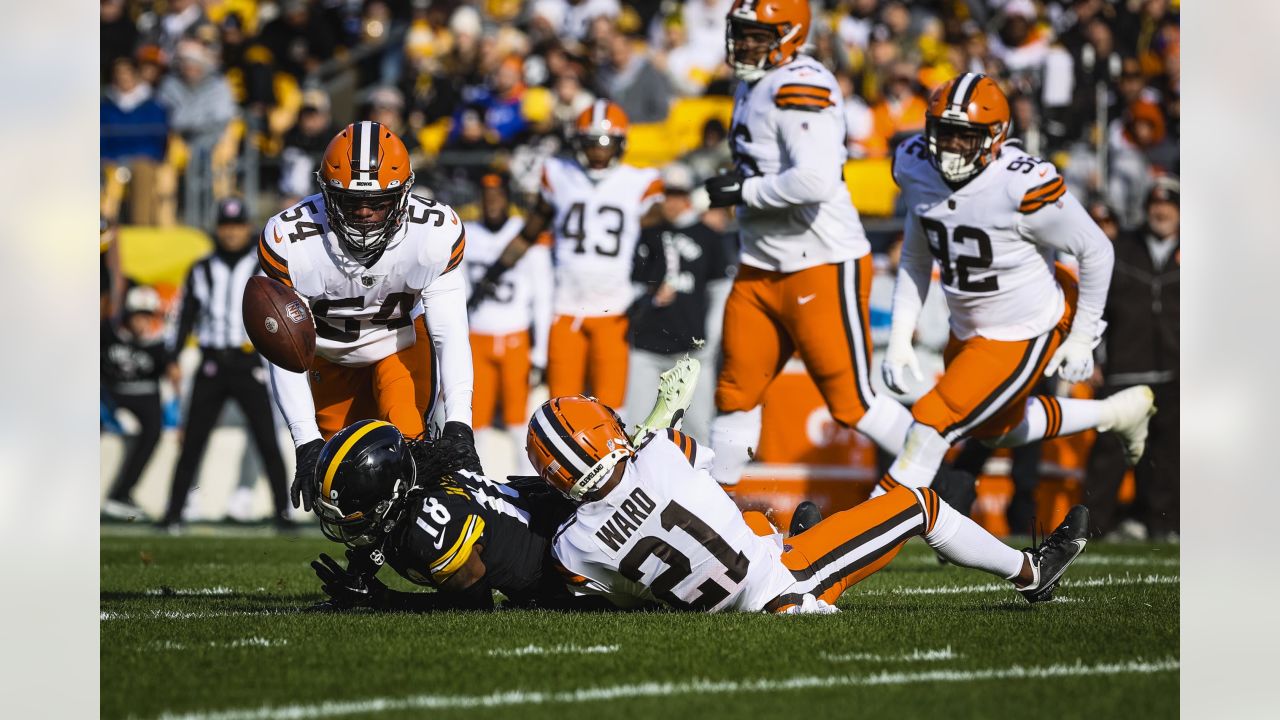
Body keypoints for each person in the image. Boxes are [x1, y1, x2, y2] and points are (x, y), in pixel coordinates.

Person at [529, 395, 1090, 612]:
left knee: (745, 524)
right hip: (787, 587)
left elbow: (604, 582)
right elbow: (717, 466)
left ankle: (792, 537)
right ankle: (1032, 572)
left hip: (723, 592)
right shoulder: (658, 451)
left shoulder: (572, 546)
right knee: (919, 502)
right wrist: (657, 421)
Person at [878, 72, 1156, 500]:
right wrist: (900, 337)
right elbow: (917, 253)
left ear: (994, 137)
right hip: (967, 326)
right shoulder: (916, 165)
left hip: (1023, 328)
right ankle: (1115, 412)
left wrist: (1082, 337)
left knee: (931, 421)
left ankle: (860, 536)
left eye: (963, 136)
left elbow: (1097, 250)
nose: (950, 146)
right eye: (944, 133)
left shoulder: (1019, 185)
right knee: (996, 432)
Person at [700, 0, 915, 487]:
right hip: (760, 264)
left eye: (760, 34)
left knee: (852, 403)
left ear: (792, 34)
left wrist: (745, 189)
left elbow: (814, 180)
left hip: (819, 261)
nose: (747, 43)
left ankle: (945, 470)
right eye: (743, 32)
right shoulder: (752, 82)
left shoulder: (802, 82)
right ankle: (715, 513)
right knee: (735, 394)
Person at [259, 122, 479, 516]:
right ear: (327, 194)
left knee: (410, 455)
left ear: (404, 194)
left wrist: (459, 423)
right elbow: (284, 349)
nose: (364, 215)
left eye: (377, 204)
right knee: (346, 487)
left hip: (400, 346)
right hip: (326, 357)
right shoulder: (291, 239)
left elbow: (450, 333)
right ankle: (367, 567)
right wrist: (306, 441)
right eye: (350, 202)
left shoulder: (432, 233)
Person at [469, 100, 664, 409]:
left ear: (621, 144)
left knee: (613, 410)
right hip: (565, 308)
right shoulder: (559, 173)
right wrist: (492, 273)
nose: (598, 152)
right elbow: (528, 234)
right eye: (590, 143)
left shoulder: (640, 182)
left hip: (613, 309)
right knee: (561, 408)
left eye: (606, 143)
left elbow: (661, 241)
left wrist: (650, 286)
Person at [303, 419, 604, 612]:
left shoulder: (430, 528)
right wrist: (359, 577)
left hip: (568, 567)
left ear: (391, 495)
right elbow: (384, 534)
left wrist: (383, 600)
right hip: (546, 516)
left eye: (357, 509)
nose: (352, 520)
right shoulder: (413, 485)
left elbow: (475, 604)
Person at [160, 198, 292, 531]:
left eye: (237, 226)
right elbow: (185, 316)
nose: (232, 232)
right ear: (218, 228)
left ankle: (283, 513)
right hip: (212, 363)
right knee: (193, 441)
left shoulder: (262, 267)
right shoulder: (201, 269)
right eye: (226, 226)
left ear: (248, 227)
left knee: (266, 439)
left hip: (249, 362)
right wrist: (173, 357)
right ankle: (173, 512)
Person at [1083, 178, 1179, 540]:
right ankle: (1091, 528)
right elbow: (1096, 307)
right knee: (1108, 453)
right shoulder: (1121, 249)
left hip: (1174, 369)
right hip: (1125, 365)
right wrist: (1093, 355)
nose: (1161, 212)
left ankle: (1162, 523)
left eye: (1168, 206)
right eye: (1155, 206)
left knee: (1166, 454)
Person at [622, 162, 734, 441]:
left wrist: (712, 338)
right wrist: (649, 297)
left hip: (690, 354)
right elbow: (633, 285)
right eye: (667, 193)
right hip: (647, 348)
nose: (671, 201)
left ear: (688, 195)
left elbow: (721, 292)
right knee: (636, 430)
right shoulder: (649, 233)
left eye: (677, 193)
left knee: (697, 434)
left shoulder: (709, 237)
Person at [463, 172, 553, 472]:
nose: (492, 203)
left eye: (498, 196)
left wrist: (540, 352)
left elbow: (543, 295)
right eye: (487, 197)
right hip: (477, 337)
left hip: (516, 336)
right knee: (476, 423)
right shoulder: (466, 233)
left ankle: (530, 490)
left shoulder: (524, 234)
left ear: (508, 198)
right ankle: (480, 491)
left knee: (520, 422)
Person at [101, 286, 169, 521]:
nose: (142, 322)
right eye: (137, 315)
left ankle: (122, 494)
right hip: (111, 393)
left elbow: (169, 375)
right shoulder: (107, 333)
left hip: (146, 394)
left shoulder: (161, 343)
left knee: (153, 432)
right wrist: (110, 409)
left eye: (146, 316)